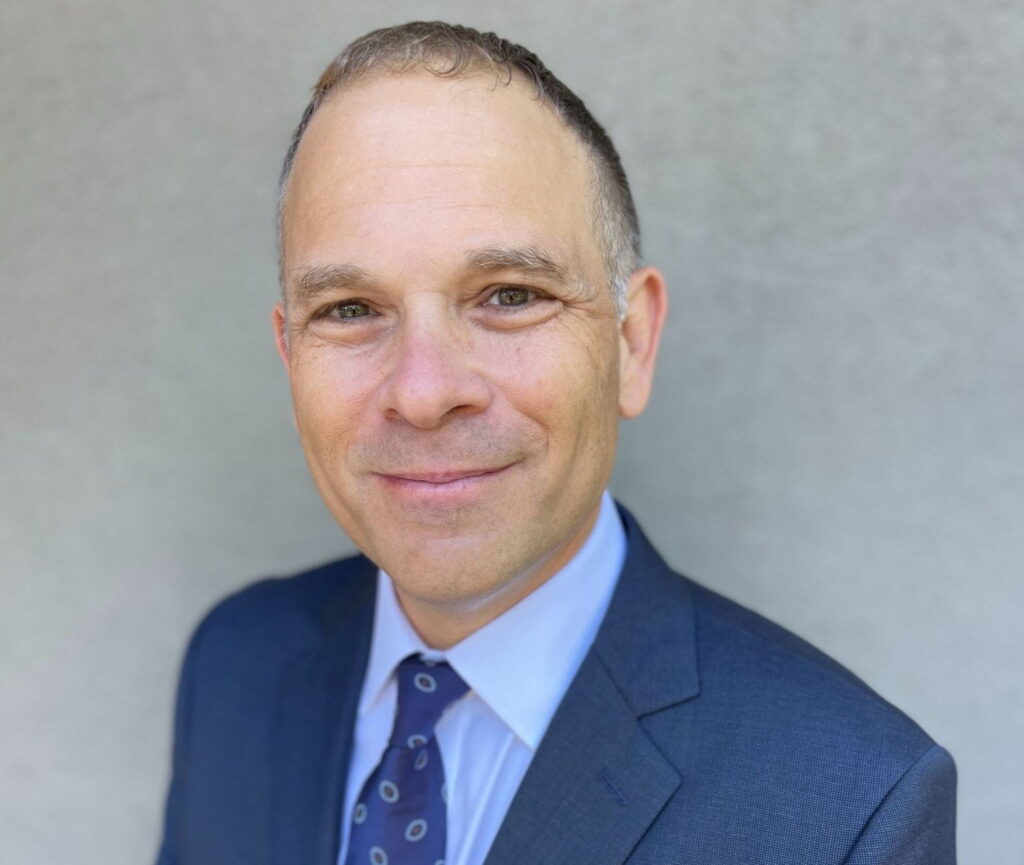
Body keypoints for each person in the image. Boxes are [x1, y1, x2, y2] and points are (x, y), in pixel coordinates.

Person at [156, 21, 956, 865]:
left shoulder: (849, 806)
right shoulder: (237, 663)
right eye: (350, 310)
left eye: (508, 294)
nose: (424, 392)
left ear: (630, 342)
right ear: (290, 355)